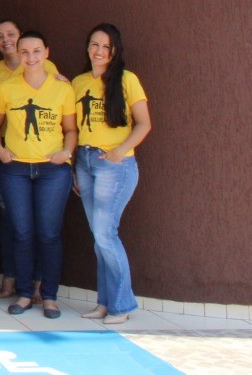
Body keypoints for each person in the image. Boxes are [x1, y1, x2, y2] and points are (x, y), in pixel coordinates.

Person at [0, 31, 77, 319]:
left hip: (52, 171)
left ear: (46, 53)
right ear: (18, 53)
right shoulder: (6, 88)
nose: (30, 57)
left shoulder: (62, 89)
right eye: (25, 52)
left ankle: (50, 296)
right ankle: (25, 293)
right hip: (15, 169)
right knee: (22, 233)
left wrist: (66, 151)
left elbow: (71, 129)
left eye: (36, 51)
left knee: (49, 234)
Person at [72, 24, 151, 325]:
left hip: (114, 164)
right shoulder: (78, 82)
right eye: (94, 44)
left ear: (115, 50)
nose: (99, 51)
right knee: (99, 237)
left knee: (106, 234)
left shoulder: (127, 80)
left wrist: (119, 151)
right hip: (85, 161)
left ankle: (122, 304)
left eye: (106, 46)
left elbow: (144, 124)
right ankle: (105, 302)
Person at [0, 18, 56, 299]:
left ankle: (38, 283)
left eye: (10, 35)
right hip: (8, 158)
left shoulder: (47, 68)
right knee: (10, 218)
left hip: (43, 160)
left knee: (41, 225)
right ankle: (10, 277)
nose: (5, 40)